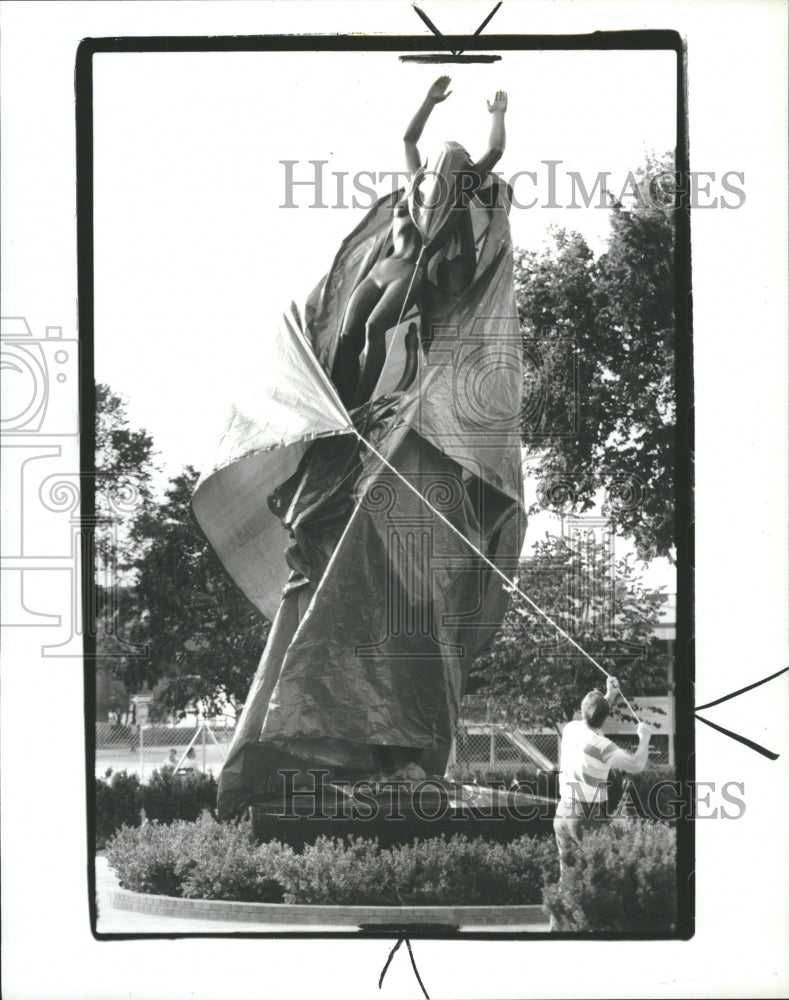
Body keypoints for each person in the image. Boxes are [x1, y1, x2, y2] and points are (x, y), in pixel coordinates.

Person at [330, 76, 508, 408]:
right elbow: (408, 139)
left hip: (410, 273)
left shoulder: (458, 196)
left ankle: (358, 404)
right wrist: (429, 101)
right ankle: (339, 401)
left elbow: (495, 151)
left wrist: (498, 115)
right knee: (346, 336)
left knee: (374, 327)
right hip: (381, 270)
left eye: (458, 159)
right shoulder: (416, 185)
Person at [553, 676, 653, 871]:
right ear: (604, 717)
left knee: (570, 882)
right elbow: (637, 764)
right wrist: (644, 739)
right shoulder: (603, 747)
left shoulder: (571, 729)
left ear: (582, 710)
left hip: (563, 813)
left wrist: (610, 695)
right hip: (585, 815)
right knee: (608, 873)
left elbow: (593, 713)